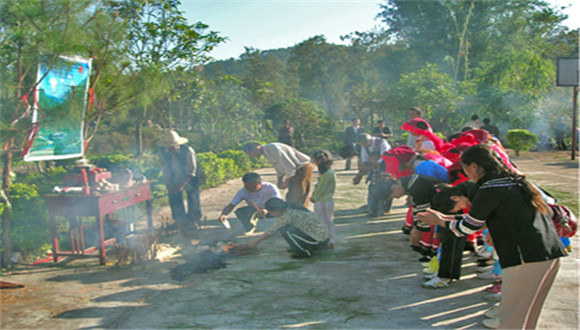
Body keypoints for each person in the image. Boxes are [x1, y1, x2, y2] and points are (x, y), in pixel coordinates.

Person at [417, 144, 565, 329]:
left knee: (511, 318)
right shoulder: (514, 181)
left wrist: (439, 221)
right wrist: (443, 218)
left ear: (473, 166)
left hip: (526, 258)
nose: (466, 174)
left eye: (465, 168)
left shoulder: (491, 188)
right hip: (548, 253)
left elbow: (468, 227)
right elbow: (482, 219)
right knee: (527, 316)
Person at [240, 198, 330, 258]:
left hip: (318, 242)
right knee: (287, 229)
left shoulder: (288, 215)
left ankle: (305, 252)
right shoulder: (291, 207)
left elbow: (271, 231)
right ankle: (298, 248)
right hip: (323, 238)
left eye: (271, 212)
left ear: (278, 210)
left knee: (285, 230)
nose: (271, 215)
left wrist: (254, 242)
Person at [242, 142, 313, 208]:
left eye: (251, 154)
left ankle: (301, 212)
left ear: (256, 148)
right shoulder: (266, 153)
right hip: (294, 170)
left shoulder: (273, 148)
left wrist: (286, 182)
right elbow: (279, 168)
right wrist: (279, 181)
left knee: (299, 192)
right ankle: (292, 211)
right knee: (291, 194)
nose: (252, 156)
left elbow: (290, 167)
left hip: (302, 168)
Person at [157, 130, 202, 231]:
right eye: (169, 146)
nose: (172, 148)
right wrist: (169, 184)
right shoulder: (162, 152)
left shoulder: (188, 150)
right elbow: (165, 169)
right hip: (174, 177)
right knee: (174, 197)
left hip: (189, 177)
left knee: (193, 197)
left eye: (174, 145)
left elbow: (192, 170)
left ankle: (193, 220)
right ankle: (180, 221)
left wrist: (182, 185)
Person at [352, 133, 392, 217]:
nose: (363, 146)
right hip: (374, 168)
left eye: (364, 144)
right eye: (361, 144)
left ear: (369, 141)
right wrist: (360, 175)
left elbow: (383, 158)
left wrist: (362, 173)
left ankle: (384, 209)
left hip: (387, 167)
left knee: (386, 188)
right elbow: (365, 161)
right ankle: (373, 210)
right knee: (373, 188)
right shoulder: (364, 146)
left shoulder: (382, 143)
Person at [310, 150, 336, 249]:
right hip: (324, 200)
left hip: (323, 201)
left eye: (315, 161)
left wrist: (314, 197)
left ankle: (329, 241)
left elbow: (321, 188)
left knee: (326, 221)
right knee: (323, 220)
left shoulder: (327, 174)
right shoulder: (328, 172)